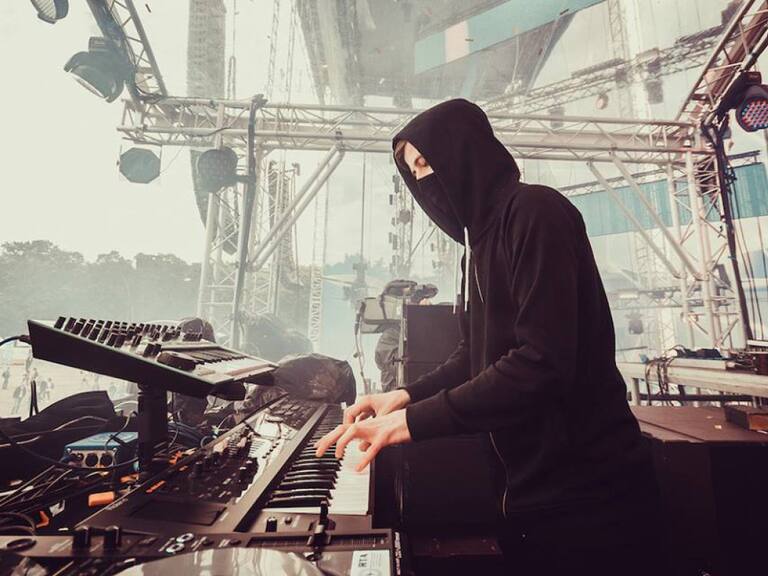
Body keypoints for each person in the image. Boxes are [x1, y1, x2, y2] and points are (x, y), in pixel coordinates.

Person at [315, 99, 666, 575]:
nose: (422, 181)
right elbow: (475, 355)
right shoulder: (476, 249)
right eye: (412, 171)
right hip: (527, 494)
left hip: (591, 496)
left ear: (463, 152)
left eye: (426, 162)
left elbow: (540, 363)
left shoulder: (535, 212)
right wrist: (404, 396)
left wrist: (409, 424)